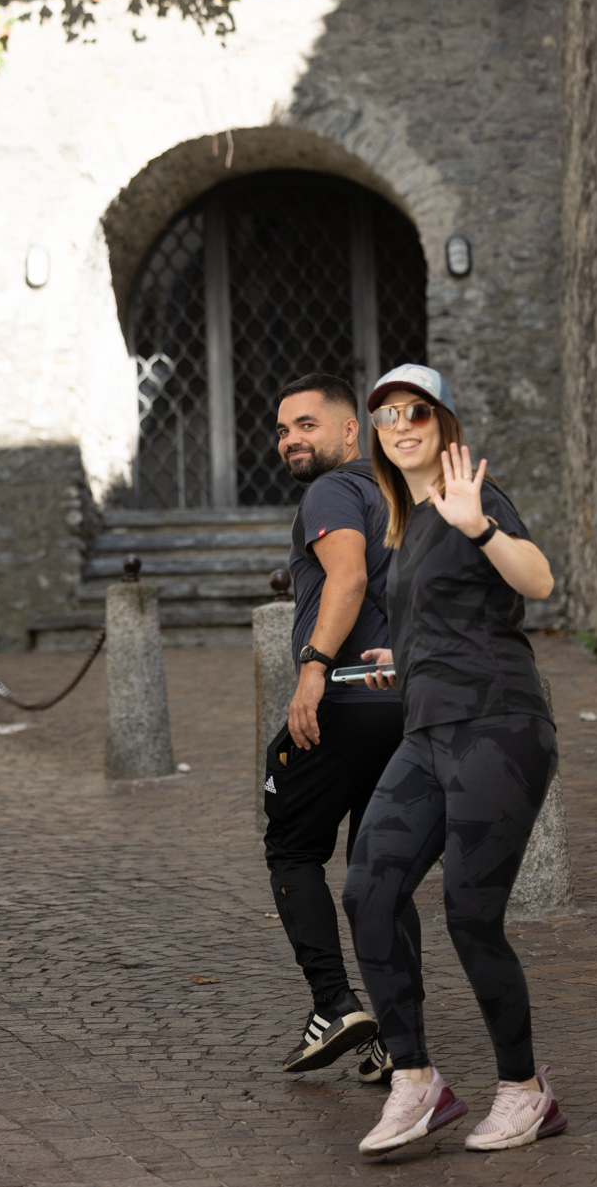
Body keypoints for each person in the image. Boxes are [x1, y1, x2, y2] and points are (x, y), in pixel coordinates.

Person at [339, 364, 565, 1155]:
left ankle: (526, 1090)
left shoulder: (472, 495)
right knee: (368, 891)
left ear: (444, 425)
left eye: (418, 412)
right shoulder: (402, 526)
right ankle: (416, 1079)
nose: (402, 425)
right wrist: (399, 658)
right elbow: (446, 618)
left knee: (471, 915)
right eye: (387, 415)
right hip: (428, 732)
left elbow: (538, 578)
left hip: (498, 727)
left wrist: (480, 528)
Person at [262, 374, 410, 1085]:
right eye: (283, 429)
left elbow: (346, 579)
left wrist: (314, 667)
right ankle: (401, 1039)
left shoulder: (332, 491)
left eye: (307, 424)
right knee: (379, 872)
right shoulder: (397, 492)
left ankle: (334, 1004)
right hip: (405, 701)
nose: (291, 439)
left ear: (351, 431)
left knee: (292, 847)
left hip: (347, 698)